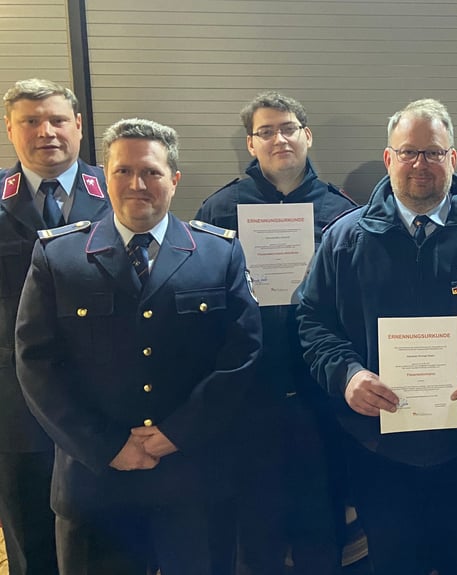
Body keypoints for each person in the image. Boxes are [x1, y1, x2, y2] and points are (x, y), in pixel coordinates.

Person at [297, 98, 457, 575]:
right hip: (375, 444)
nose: (420, 164)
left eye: (433, 153)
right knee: (391, 559)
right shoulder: (343, 240)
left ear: (452, 159)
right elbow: (313, 322)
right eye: (409, 152)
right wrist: (347, 375)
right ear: (389, 158)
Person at [14, 118, 262, 575]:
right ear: (105, 177)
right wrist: (107, 445)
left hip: (193, 477)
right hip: (95, 481)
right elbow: (37, 366)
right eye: (123, 171)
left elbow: (241, 357)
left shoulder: (219, 253)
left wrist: (178, 433)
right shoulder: (58, 256)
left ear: (174, 180)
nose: (136, 184)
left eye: (150, 172)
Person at [196, 91, 357, 575]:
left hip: (322, 392)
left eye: (288, 127)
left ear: (307, 136)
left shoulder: (344, 212)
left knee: (321, 517)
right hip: (249, 394)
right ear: (251, 143)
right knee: (254, 523)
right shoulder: (220, 210)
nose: (279, 138)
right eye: (266, 131)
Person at [0, 78, 110, 575]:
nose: (46, 131)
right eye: (30, 121)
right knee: (28, 535)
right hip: (13, 404)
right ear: (10, 129)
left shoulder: (121, 187)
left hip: (103, 397)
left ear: (80, 127)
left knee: (107, 535)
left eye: (58, 119)